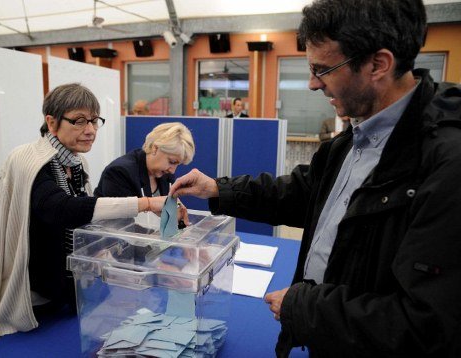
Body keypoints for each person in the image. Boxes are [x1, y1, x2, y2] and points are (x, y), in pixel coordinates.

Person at [169, 0, 461, 356]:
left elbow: (428, 324)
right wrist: (219, 189)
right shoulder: (356, 135)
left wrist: (306, 308)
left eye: (322, 69)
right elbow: (302, 193)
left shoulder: (446, 164)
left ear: (378, 65)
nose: (311, 84)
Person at [0, 84, 170, 347]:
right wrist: (144, 203)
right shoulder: (26, 160)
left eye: (94, 120)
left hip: (68, 294)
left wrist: (154, 241)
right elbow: (60, 210)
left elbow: (89, 220)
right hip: (33, 299)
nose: (90, 130)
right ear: (52, 122)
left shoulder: (77, 163)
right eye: (78, 121)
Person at [94, 122, 195, 223]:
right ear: (155, 148)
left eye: (178, 164)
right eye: (172, 162)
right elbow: (124, 226)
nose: (173, 170)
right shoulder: (119, 173)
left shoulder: (165, 174)